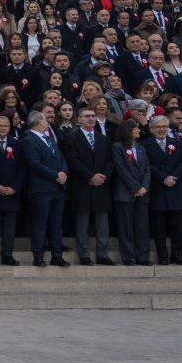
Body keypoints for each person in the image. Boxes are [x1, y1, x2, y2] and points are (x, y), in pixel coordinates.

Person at [61, 106, 114, 265]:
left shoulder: (103, 139)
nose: (91, 118)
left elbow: (110, 161)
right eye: (87, 116)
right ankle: (84, 255)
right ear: (79, 119)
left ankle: (102, 255)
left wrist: (103, 176)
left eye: (92, 116)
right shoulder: (71, 138)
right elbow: (72, 160)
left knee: (102, 223)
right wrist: (90, 176)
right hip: (82, 185)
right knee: (82, 222)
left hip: (101, 185)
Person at [21, 110, 70, 267]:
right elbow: (34, 164)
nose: (47, 122)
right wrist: (56, 175)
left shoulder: (49, 138)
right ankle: (38, 256)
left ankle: (57, 256)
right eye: (44, 120)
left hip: (57, 189)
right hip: (41, 189)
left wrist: (64, 172)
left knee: (56, 225)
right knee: (40, 224)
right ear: (37, 122)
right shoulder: (29, 140)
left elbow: (61, 158)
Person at [110, 117, 152, 266]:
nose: (139, 130)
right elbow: (121, 169)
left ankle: (143, 257)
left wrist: (144, 187)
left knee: (142, 227)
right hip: (125, 193)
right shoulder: (117, 147)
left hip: (142, 194)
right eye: (136, 128)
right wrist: (135, 187)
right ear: (128, 131)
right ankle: (129, 257)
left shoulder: (141, 148)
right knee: (126, 227)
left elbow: (147, 169)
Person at [0, 112, 24, 266]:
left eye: (6, 126)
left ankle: (8, 254)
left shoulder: (16, 143)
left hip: (12, 192)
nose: (3, 128)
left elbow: (22, 168)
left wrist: (14, 187)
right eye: (0, 126)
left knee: (10, 226)